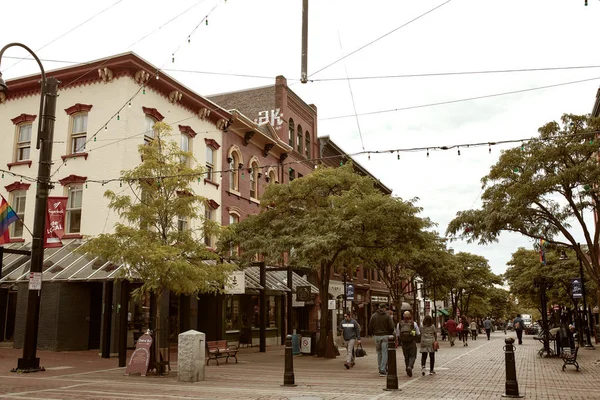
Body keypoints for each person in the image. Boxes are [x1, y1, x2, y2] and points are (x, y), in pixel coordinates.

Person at [369, 303, 395, 377]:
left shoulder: (373, 316)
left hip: (376, 336)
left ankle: (380, 367)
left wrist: (373, 333)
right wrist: (389, 334)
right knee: (384, 353)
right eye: (385, 308)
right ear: (383, 308)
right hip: (385, 336)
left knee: (379, 353)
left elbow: (370, 326)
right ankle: (383, 369)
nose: (386, 309)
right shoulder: (387, 316)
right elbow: (391, 327)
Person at [396, 311, 420, 377]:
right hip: (411, 342)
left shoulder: (399, 324)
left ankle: (407, 368)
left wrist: (397, 342)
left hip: (403, 342)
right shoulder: (413, 323)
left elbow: (397, 334)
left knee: (406, 357)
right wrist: (413, 334)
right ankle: (410, 366)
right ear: (410, 316)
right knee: (413, 356)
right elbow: (417, 333)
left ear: (403, 316)